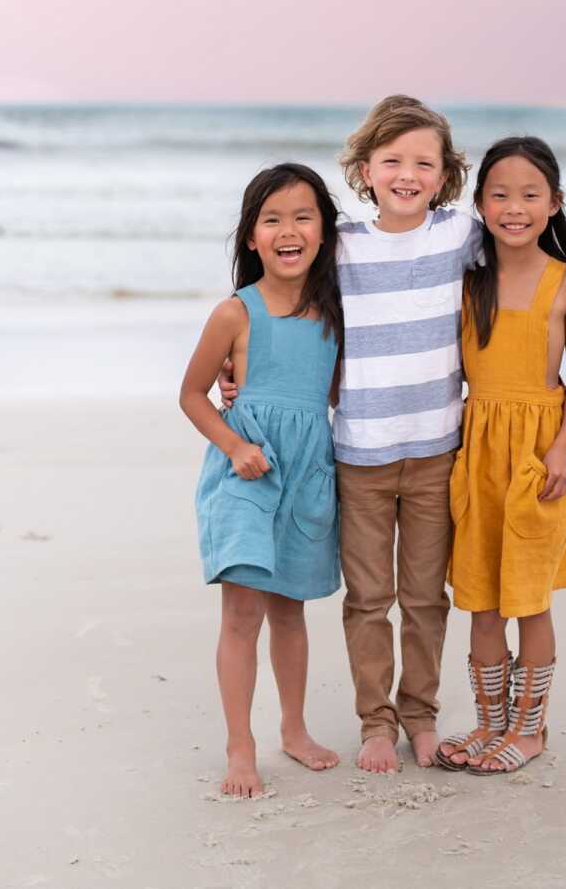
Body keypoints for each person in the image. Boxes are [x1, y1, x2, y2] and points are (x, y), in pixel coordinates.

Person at [220, 98, 566, 775]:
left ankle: (421, 717)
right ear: (364, 170)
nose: (407, 173)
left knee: (428, 597)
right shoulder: (340, 246)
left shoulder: (463, 235)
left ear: (446, 175)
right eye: (392, 161)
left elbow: (531, 259)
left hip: (439, 453)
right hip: (359, 456)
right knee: (369, 600)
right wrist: (238, 367)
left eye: (424, 162)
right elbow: (278, 293)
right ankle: (377, 724)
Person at [180, 163, 343, 798]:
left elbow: (331, 391)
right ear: (251, 236)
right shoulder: (234, 313)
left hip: (308, 477)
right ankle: (240, 745)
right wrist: (235, 444)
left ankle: (294, 730)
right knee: (242, 611)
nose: (288, 231)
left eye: (303, 217)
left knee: (291, 610)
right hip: (246, 473)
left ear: (324, 232)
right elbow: (193, 394)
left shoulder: (334, 314)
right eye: (271, 219)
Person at [436, 136, 566, 775]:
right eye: (499, 195)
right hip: (478, 453)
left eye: (531, 195)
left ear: (554, 204)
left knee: (529, 598)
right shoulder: (466, 277)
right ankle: (488, 724)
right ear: (479, 204)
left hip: (538, 457)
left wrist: (561, 448)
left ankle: (529, 731)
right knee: (480, 598)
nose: (515, 207)